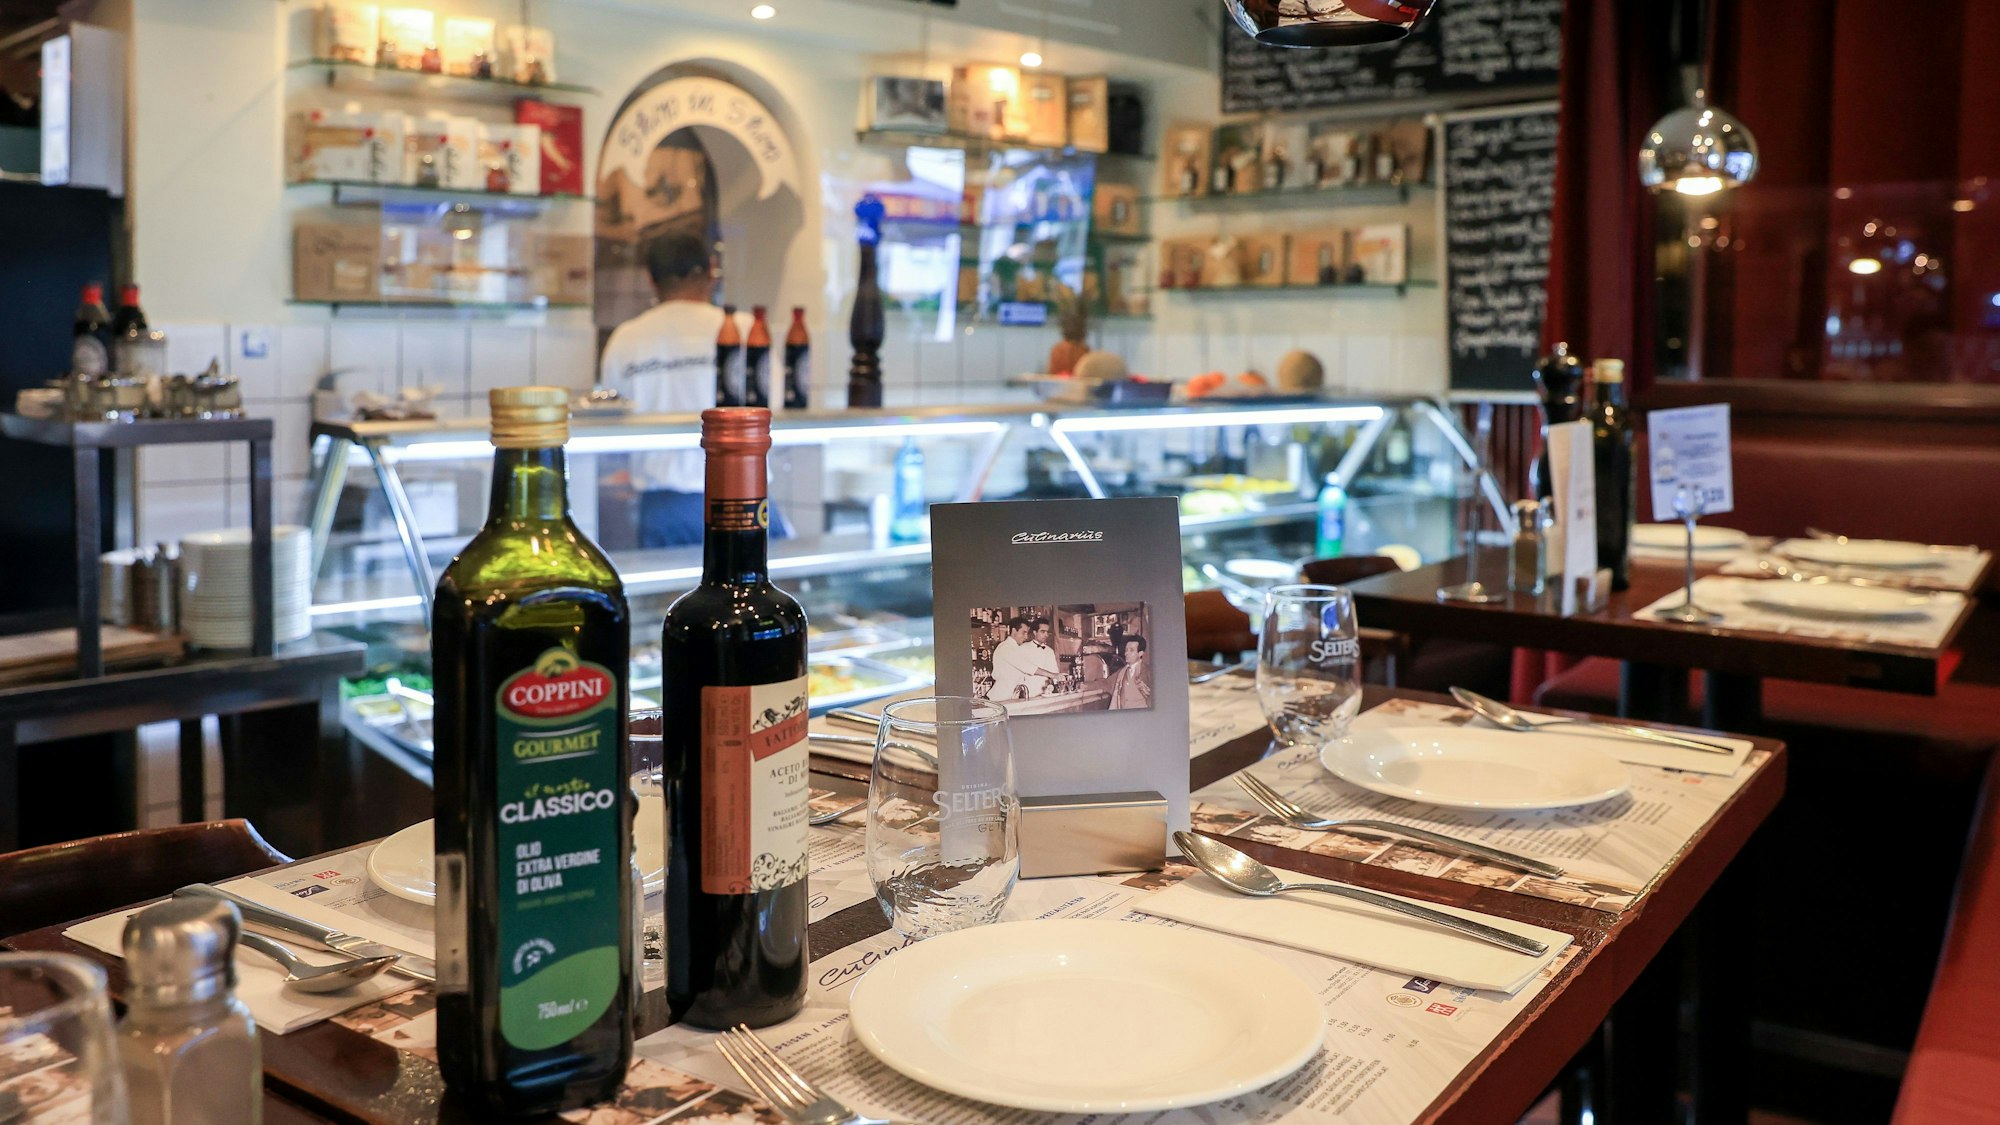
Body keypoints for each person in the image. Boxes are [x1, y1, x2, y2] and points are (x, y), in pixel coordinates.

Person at [599, 230, 769, 548]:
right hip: (743, 496)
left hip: (662, 508)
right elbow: (779, 412)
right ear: (712, 270)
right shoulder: (746, 329)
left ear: (651, 279)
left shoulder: (626, 338)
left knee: (672, 583)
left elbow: (612, 419)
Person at [988, 617, 1060, 700]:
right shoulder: (1005, 648)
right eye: (1024, 633)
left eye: (1027, 633)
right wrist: (1053, 675)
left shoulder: (1016, 648)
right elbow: (1027, 667)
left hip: (1012, 697)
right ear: (1014, 631)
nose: (1026, 637)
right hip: (1000, 697)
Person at [1108, 635, 1152, 710]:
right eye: (1126, 650)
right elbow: (1106, 683)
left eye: (1131, 650)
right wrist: (1087, 686)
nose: (1126, 653)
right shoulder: (1121, 672)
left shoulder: (1148, 671)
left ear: (1140, 653)